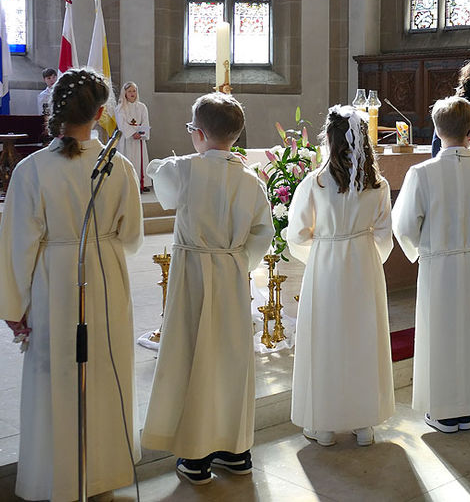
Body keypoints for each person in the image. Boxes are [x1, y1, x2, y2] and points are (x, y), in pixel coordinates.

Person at [0, 68, 143, 501]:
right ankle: (100, 476)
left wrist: (13, 307)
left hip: (53, 284)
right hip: (105, 279)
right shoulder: (117, 167)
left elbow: (16, 247)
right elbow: (133, 236)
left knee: (55, 377)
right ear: (102, 113)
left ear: (54, 111)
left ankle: (57, 478)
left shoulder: (31, 169)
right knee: (103, 372)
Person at [141, 93, 274, 484]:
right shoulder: (250, 179)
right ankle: (236, 451)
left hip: (193, 274)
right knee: (230, 360)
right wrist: (238, 263)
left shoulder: (184, 169)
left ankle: (196, 456)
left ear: (197, 133)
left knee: (190, 356)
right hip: (231, 272)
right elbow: (263, 233)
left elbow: (159, 180)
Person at [394, 97, 470, 431]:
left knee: (440, 333)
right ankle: (467, 410)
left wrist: (421, 250)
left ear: (437, 132)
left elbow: (404, 224)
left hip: (438, 264)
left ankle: (442, 410)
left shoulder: (422, 172)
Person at [288, 106, 395, 447]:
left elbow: (298, 234)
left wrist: (319, 256)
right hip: (364, 264)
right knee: (363, 337)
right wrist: (365, 257)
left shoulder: (316, 182)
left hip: (327, 263)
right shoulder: (377, 184)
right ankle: (364, 424)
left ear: (330, 140)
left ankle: (323, 425)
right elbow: (383, 234)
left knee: (326, 339)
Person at [115, 81, 151, 192]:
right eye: (129, 91)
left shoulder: (142, 107)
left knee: (140, 160)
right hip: (127, 140)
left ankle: (142, 183)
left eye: (134, 91)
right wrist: (132, 133)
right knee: (129, 160)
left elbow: (145, 121)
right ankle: (129, 184)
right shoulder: (120, 108)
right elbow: (122, 124)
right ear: (125, 93)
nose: (132, 93)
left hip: (139, 139)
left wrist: (141, 133)